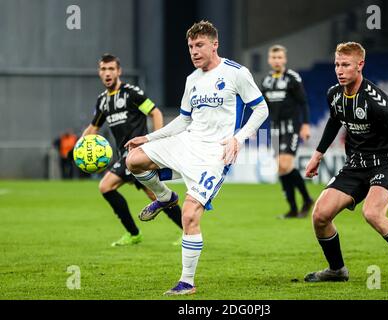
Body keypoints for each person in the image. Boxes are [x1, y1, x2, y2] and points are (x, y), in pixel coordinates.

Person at [125, 21, 268, 295]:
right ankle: (165, 197)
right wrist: (149, 138)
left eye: (199, 45)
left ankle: (186, 282)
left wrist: (238, 138)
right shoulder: (192, 79)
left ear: (215, 44)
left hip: (214, 154)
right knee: (134, 160)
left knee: (189, 215)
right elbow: (183, 120)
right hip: (186, 141)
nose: (194, 51)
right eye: (190, 46)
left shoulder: (236, 73)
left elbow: (260, 110)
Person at [303, 42, 388, 286]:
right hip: (356, 164)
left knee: (372, 213)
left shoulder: (376, 101)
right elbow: (335, 120)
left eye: (345, 65)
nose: (339, 70)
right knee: (320, 215)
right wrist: (318, 154)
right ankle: (336, 270)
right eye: (337, 65)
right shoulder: (334, 94)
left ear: (360, 65)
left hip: (386, 163)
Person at [82, 54, 183, 247]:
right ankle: (135, 233)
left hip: (139, 154)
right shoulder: (102, 101)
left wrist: (157, 141)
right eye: (103, 69)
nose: (107, 73)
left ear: (119, 71)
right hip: (124, 157)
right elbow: (93, 128)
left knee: (153, 194)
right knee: (149, 194)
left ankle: (187, 231)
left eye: (111, 69)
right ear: (99, 73)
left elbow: (155, 112)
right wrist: (79, 147)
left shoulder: (131, 93)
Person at [261, 45, 314, 219]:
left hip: (291, 127)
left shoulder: (292, 78)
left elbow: (303, 102)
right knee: (281, 168)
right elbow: (261, 107)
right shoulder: (266, 81)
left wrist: (305, 125)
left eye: (279, 57)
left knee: (285, 164)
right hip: (275, 129)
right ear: (270, 60)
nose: (276, 61)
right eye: (274, 58)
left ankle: (306, 199)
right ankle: (292, 209)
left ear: (284, 59)